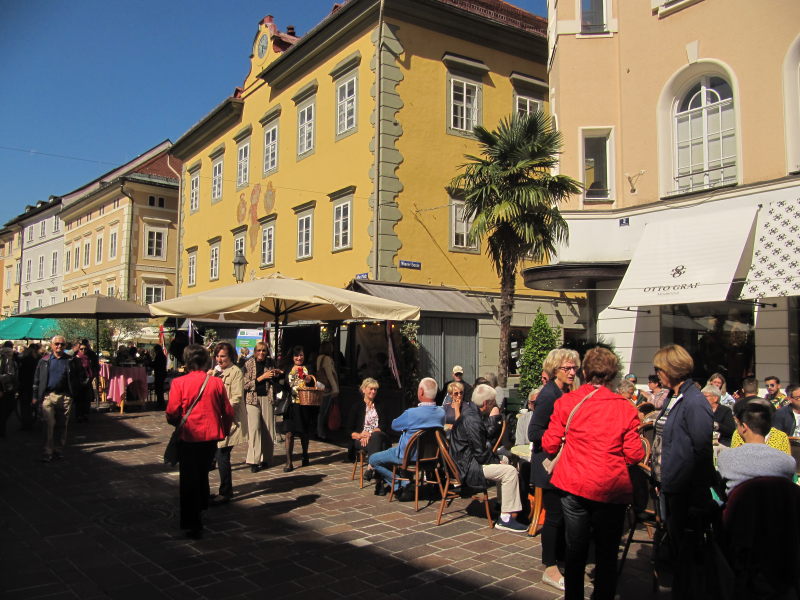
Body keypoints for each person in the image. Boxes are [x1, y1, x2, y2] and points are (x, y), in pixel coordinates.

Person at [542, 347, 644, 600]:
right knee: (607, 553)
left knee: (575, 550)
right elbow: (634, 454)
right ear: (612, 375)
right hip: (610, 487)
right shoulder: (625, 408)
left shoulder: (567, 402)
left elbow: (549, 444)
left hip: (574, 484)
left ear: (585, 371)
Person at [651, 344, 714, 599]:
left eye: (659, 369)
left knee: (686, 552)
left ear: (671, 369)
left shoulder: (694, 401)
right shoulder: (673, 396)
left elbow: (701, 449)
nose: (657, 375)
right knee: (677, 548)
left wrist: (698, 492)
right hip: (669, 483)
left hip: (684, 488)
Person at [165, 344, 233, 538]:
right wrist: (225, 430)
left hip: (189, 436)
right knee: (202, 471)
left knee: (188, 478)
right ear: (205, 361)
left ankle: (192, 522)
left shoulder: (179, 383)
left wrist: (176, 422)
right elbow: (227, 411)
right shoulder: (216, 383)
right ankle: (202, 504)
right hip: (210, 436)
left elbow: (171, 412)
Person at [528, 348, 581, 591]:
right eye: (567, 368)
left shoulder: (568, 391)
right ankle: (550, 567)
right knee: (554, 517)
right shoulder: (548, 395)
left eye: (574, 368)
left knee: (562, 517)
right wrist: (560, 437)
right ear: (555, 369)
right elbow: (534, 432)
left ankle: (560, 560)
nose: (572, 372)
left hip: (564, 463)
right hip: (548, 463)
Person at [450, 384, 526, 531]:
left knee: (506, 461)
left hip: (465, 462)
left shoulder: (470, 412)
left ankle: (502, 504)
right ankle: (506, 518)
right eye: (492, 403)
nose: (494, 406)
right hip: (468, 468)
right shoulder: (473, 420)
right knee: (509, 471)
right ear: (485, 404)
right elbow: (480, 454)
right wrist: (498, 460)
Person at [368, 377, 445, 498]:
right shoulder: (441, 413)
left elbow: (394, 425)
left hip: (408, 455)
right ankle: (405, 483)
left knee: (373, 459)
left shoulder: (412, 413)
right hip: (431, 457)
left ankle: (403, 483)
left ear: (420, 392)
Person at [718, 402, 796, 494]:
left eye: (738, 424)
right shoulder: (787, 462)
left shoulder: (725, 458)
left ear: (744, 427)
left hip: (740, 506)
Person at [32, 335, 88, 462]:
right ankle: (47, 451)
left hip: (65, 397)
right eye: (56, 344)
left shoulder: (71, 360)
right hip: (48, 396)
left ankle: (58, 449)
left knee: (62, 425)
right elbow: (36, 379)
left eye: (62, 344)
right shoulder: (44, 361)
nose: (59, 346)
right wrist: (35, 396)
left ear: (65, 346)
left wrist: (74, 391)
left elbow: (81, 376)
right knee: (48, 424)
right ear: (51, 345)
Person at [209, 342, 246, 504]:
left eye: (222, 356)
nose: (219, 359)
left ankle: (225, 491)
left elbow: (236, 397)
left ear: (230, 356)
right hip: (213, 420)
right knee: (215, 454)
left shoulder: (236, 372)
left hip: (229, 421)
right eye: (217, 356)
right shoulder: (215, 372)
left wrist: (224, 410)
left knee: (222, 454)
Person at [242, 341, 281, 473]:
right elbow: (244, 384)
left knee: (268, 429)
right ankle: (254, 460)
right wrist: (261, 378)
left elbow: (275, 381)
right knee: (254, 429)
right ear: (254, 351)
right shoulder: (248, 364)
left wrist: (276, 375)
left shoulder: (271, 363)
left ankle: (266, 458)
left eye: (264, 350)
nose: (261, 353)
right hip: (252, 399)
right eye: (259, 350)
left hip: (267, 397)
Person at [347, 378, 391, 493]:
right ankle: (379, 483)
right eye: (371, 389)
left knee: (376, 437)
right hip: (361, 439)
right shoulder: (356, 406)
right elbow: (348, 430)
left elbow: (384, 425)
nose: (373, 392)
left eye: (375, 389)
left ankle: (371, 467)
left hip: (377, 436)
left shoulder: (380, 405)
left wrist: (370, 434)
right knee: (379, 446)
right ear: (364, 389)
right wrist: (360, 435)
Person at [282, 345, 318, 471]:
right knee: (289, 433)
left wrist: (308, 379)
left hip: (304, 404)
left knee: (304, 432)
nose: (299, 358)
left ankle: (305, 454)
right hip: (291, 405)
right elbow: (282, 383)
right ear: (292, 357)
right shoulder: (287, 368)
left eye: (301, 355)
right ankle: (289, 462)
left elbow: (315, 382)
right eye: (296, 355)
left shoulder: (309, 368)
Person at [315, 341, 340, 440]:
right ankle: (320, 432)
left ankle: (319, 431)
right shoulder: (328, 359)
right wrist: (335, 388)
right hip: (327, 388)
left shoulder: (319, 358)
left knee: (321, 411)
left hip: (320, 385)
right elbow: (330, 374)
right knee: (323, 411)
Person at [18, 343, 41, 430]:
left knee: (24, 405)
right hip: (34, 385)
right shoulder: (39, 359)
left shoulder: (24, 359)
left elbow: (20, 373)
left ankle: (26, 423)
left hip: (24, 385)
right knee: (34, 404)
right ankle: (32, 419)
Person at [73, 341, 96, 423]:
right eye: (81, 349)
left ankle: (85, 414)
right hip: (78, 381)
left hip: (88, 380)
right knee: (79, 399)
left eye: (85, 349)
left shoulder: (89, 357)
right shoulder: (75, 358)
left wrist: (92, 376)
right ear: (79, 349)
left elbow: (94, 367)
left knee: (87, 398)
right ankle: (78, 415)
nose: (83, 350)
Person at [0, 341, 19, 437]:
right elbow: (10, 374)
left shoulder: (13, 358)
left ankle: (2, 429)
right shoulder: (6, 358)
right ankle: (2, 431)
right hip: (5, 388)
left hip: (9, 388)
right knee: (6, 408)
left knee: (7, 408)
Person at [151, 344, 168, 408]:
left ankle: (160, 402)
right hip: (162, 373)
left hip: (159, 373)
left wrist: (150, 363)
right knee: (159, 388)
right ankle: (160, 402)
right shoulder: (162, 355)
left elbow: (156, 364)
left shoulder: (159, 355)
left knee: (159, 388)